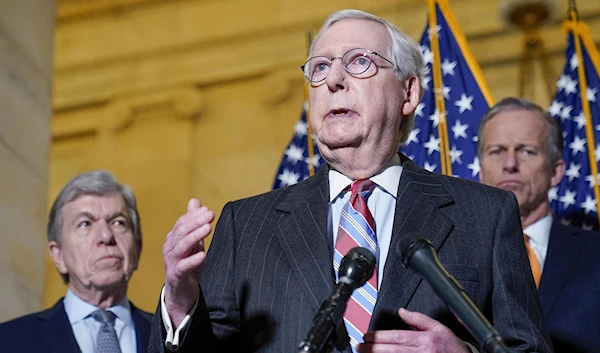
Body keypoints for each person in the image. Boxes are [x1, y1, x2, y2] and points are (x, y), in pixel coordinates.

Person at [148, 10, 552, 353]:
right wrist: (181, 304)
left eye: (359, 61)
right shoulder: (246, 225)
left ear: (408, 92)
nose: (333, 81)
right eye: (320, 67)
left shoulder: (484, 215)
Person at [478, 96, 600, 353]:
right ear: (480, 170)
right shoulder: (447, 257)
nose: (510, 164)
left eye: (527, 151)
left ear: (555, 172)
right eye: (496, 151)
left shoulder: (596, 253)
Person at [0, 170, 152, 353]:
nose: (106, 236)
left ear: (138, 247)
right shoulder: (9, 340)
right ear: (58, 255)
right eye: (85, 224)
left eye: (118, 222)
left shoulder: (175, 338)